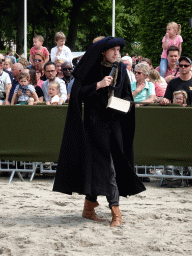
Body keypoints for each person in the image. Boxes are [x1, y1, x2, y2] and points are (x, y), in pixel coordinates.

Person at [53, 36, 146, 227]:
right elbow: (78, 93)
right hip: (95, 125)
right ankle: (116, 211)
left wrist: (124, 104)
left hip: (115, 124)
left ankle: (88, 208)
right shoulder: (91, 67)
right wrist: (99, 85)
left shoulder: (121, 68)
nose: (117, 53)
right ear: (103, 51)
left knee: (102, 166)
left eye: (119, 50)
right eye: (113, 50)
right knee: (108, 167)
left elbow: (127, 95)